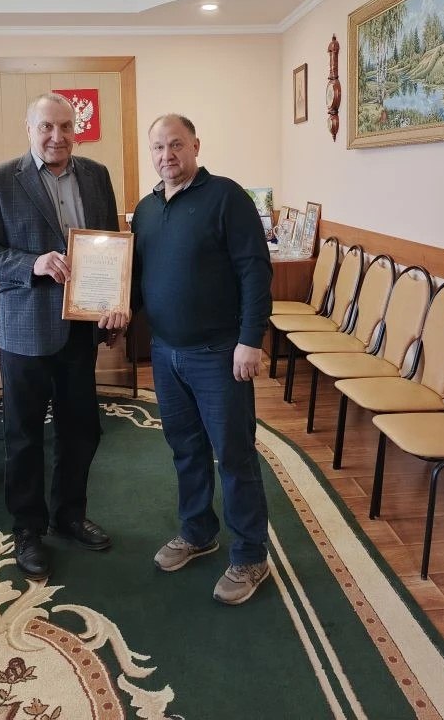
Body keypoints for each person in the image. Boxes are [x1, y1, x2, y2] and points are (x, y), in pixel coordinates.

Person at [0, 92, 128, 580]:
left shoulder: (96, 175)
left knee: (82, 430)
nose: (57, 136)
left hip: (81, 328)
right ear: (29, 129)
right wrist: (32, 264)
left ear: (76, 129)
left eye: (65, 126)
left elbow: (112, 247)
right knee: (24, 436)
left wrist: (115, 305)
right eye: (46, 127)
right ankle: (28, 529)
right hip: (24, 330)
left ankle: (69, 515)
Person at [131, 114, 273, 605]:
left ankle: (251, 555)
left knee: (234, 454)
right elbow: (138, 280)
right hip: (164, 352)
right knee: (185, 449)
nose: (166, 155)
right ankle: (197, 532)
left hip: (219, 354)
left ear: (195, 146)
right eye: (158, 147)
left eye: (176, 145)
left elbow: (255, 271)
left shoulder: (227, 197)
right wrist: (112, 311)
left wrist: (250, 339)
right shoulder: (146, 210)